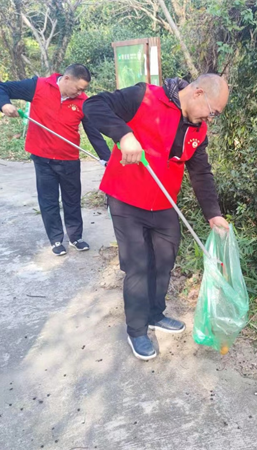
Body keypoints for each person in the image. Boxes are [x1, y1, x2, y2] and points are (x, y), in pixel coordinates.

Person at [83, 74, 230, 360]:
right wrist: (124, 135)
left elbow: (200, 173)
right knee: (138, 266)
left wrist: (213, 215)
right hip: (126, 198)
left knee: (164, 260)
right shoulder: (145, 97)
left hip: (163, 203)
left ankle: (154, 314)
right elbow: (94, 106)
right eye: (212, 112)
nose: (211, 119)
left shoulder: (198, 130)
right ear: (198, 93)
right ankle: (136, 330)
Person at [0, 64, 111, 256]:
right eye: (78, 88)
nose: (81, 92)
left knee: (72, 199)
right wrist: (4, 104)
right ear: (66, 79)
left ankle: (75, 237)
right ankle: (56, 239)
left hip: (69, 159)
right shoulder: (38, 86)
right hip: (43, 158)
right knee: (49, 201)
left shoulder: (82, 101)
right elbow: (1, 87)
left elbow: (93, 133)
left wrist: (107, 159)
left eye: (83, 90)